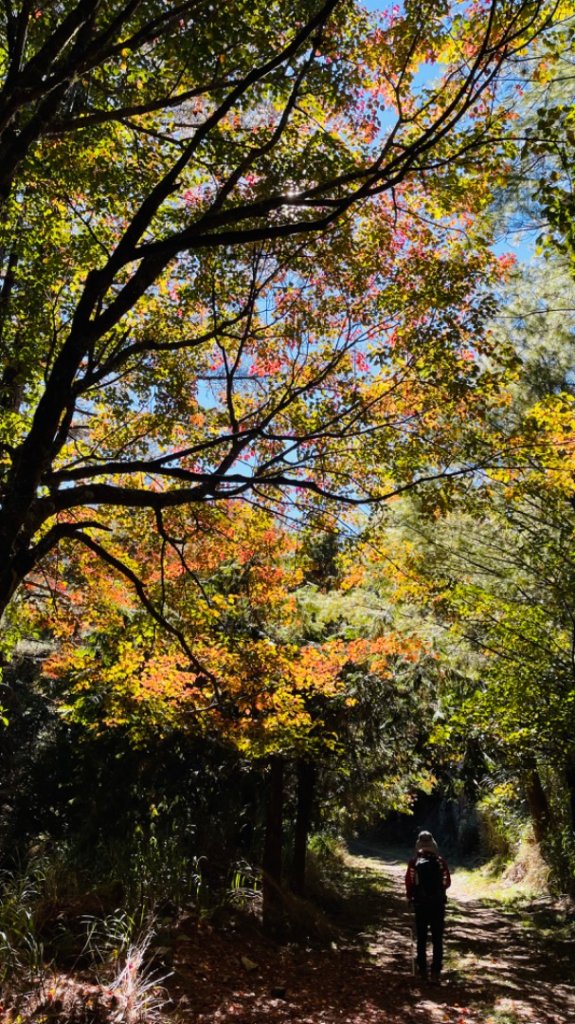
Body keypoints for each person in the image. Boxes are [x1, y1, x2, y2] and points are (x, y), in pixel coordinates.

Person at [405, 830, 451, 982]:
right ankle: (436, 972)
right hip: (437, 904)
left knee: (422, 938)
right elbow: (447, 883)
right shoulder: (440, 861)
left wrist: (410, 896)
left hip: (420, 904)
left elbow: (409, 882)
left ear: (419, 844)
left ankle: (422, 970)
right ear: (433, 844)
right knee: (437, 939)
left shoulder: (414, 862)